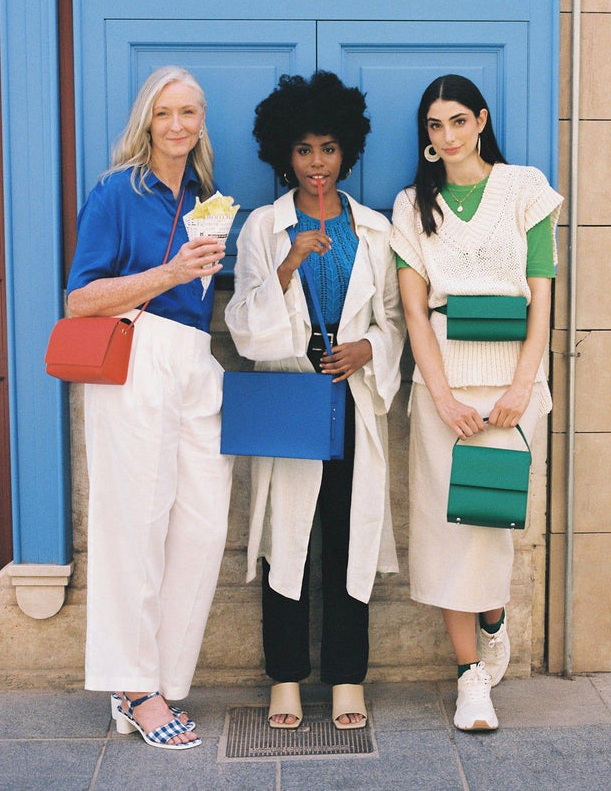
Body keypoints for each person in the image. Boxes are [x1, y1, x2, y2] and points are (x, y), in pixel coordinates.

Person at [225, 71, 404, 730]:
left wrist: (367, 350)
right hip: (290, 396)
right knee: (287, 538)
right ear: (285, 155)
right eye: (303, 150)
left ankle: (348, 677)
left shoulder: (375, 230)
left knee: (348, 536)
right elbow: (244, 328)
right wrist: (288, 264)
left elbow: (395, 321)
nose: (317, 163)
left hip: (350, 395)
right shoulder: (264, 228)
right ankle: (285, 680)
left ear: (346, 151)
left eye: (328, 148)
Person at [66, 65, 234, 750]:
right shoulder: (116, 191)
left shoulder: (207, 199)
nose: (176, 124)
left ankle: (159, 678)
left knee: (203, 526)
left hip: (194, 358)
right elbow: (79, 299)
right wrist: (172, 272)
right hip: (134, 355)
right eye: (164, 112)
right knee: (133, 524)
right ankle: (135, 687)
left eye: (188, 112)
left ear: (201, 121)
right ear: (146, 120)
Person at [390, 74, 562, 732]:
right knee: (448, 531)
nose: (448, 136)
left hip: (513, 383)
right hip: (444, 383)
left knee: (490, 523)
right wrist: (441, 396)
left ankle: (493, 618)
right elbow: (413, 309)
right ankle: (469, 678)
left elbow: (541, 294)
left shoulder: (524, 188)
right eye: (435, 126)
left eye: (458, 121)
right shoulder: (413, 204)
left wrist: (522, 384)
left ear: (481, 121)